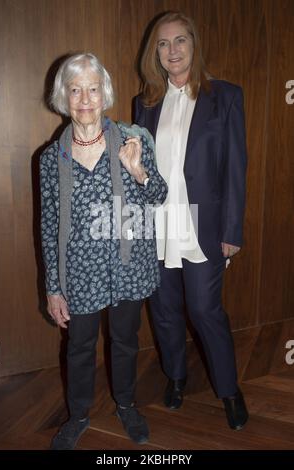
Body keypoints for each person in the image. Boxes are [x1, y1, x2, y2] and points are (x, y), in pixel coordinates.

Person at [40, 52, 167, 449]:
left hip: (127, 268)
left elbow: (160, 197)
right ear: (63, 97)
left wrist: (138, 172)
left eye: (92, 89)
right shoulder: (51, 159)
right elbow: (48, 226)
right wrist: (53, 287)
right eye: (75, 90)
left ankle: (126, 405)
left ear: (104, 93)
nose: (84, 99)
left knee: (126, 340)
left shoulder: (134, 141)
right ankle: (78, 416)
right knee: (79, 347)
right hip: (80, 273)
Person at [133, 11, 249, 430]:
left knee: (204, 310)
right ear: (155, 53)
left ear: (194, 44)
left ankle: (229, 389)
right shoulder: (144, 104)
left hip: (203, 226)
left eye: (180, 41)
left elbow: (236, 168)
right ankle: (176, 376)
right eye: (163, 44)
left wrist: (232, 230)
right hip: (156, 227)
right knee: (163, 309)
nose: (172, 51)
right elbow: (138, 170)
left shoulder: (226, 96)